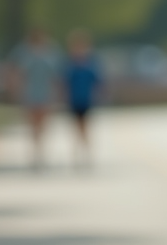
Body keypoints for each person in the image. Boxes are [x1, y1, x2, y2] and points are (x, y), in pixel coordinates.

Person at [7, 26, 62, 170]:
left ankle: (40, 150)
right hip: (29, 93)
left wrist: (57, 92)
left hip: (46, 92)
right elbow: (15, 71)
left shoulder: (52, 50)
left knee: (43, 123)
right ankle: (35, 152)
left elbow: (56, 74)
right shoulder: (22, 51)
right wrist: (15, 89)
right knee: (32, 124)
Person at [62, 28, 103, 166]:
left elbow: (98, 81)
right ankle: (77, 154)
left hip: (86, 100)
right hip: (74, 100)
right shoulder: (70, 64)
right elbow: (64, 83)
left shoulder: (90, 64)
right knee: (76, 128)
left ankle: (86, 153)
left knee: (85, 127)